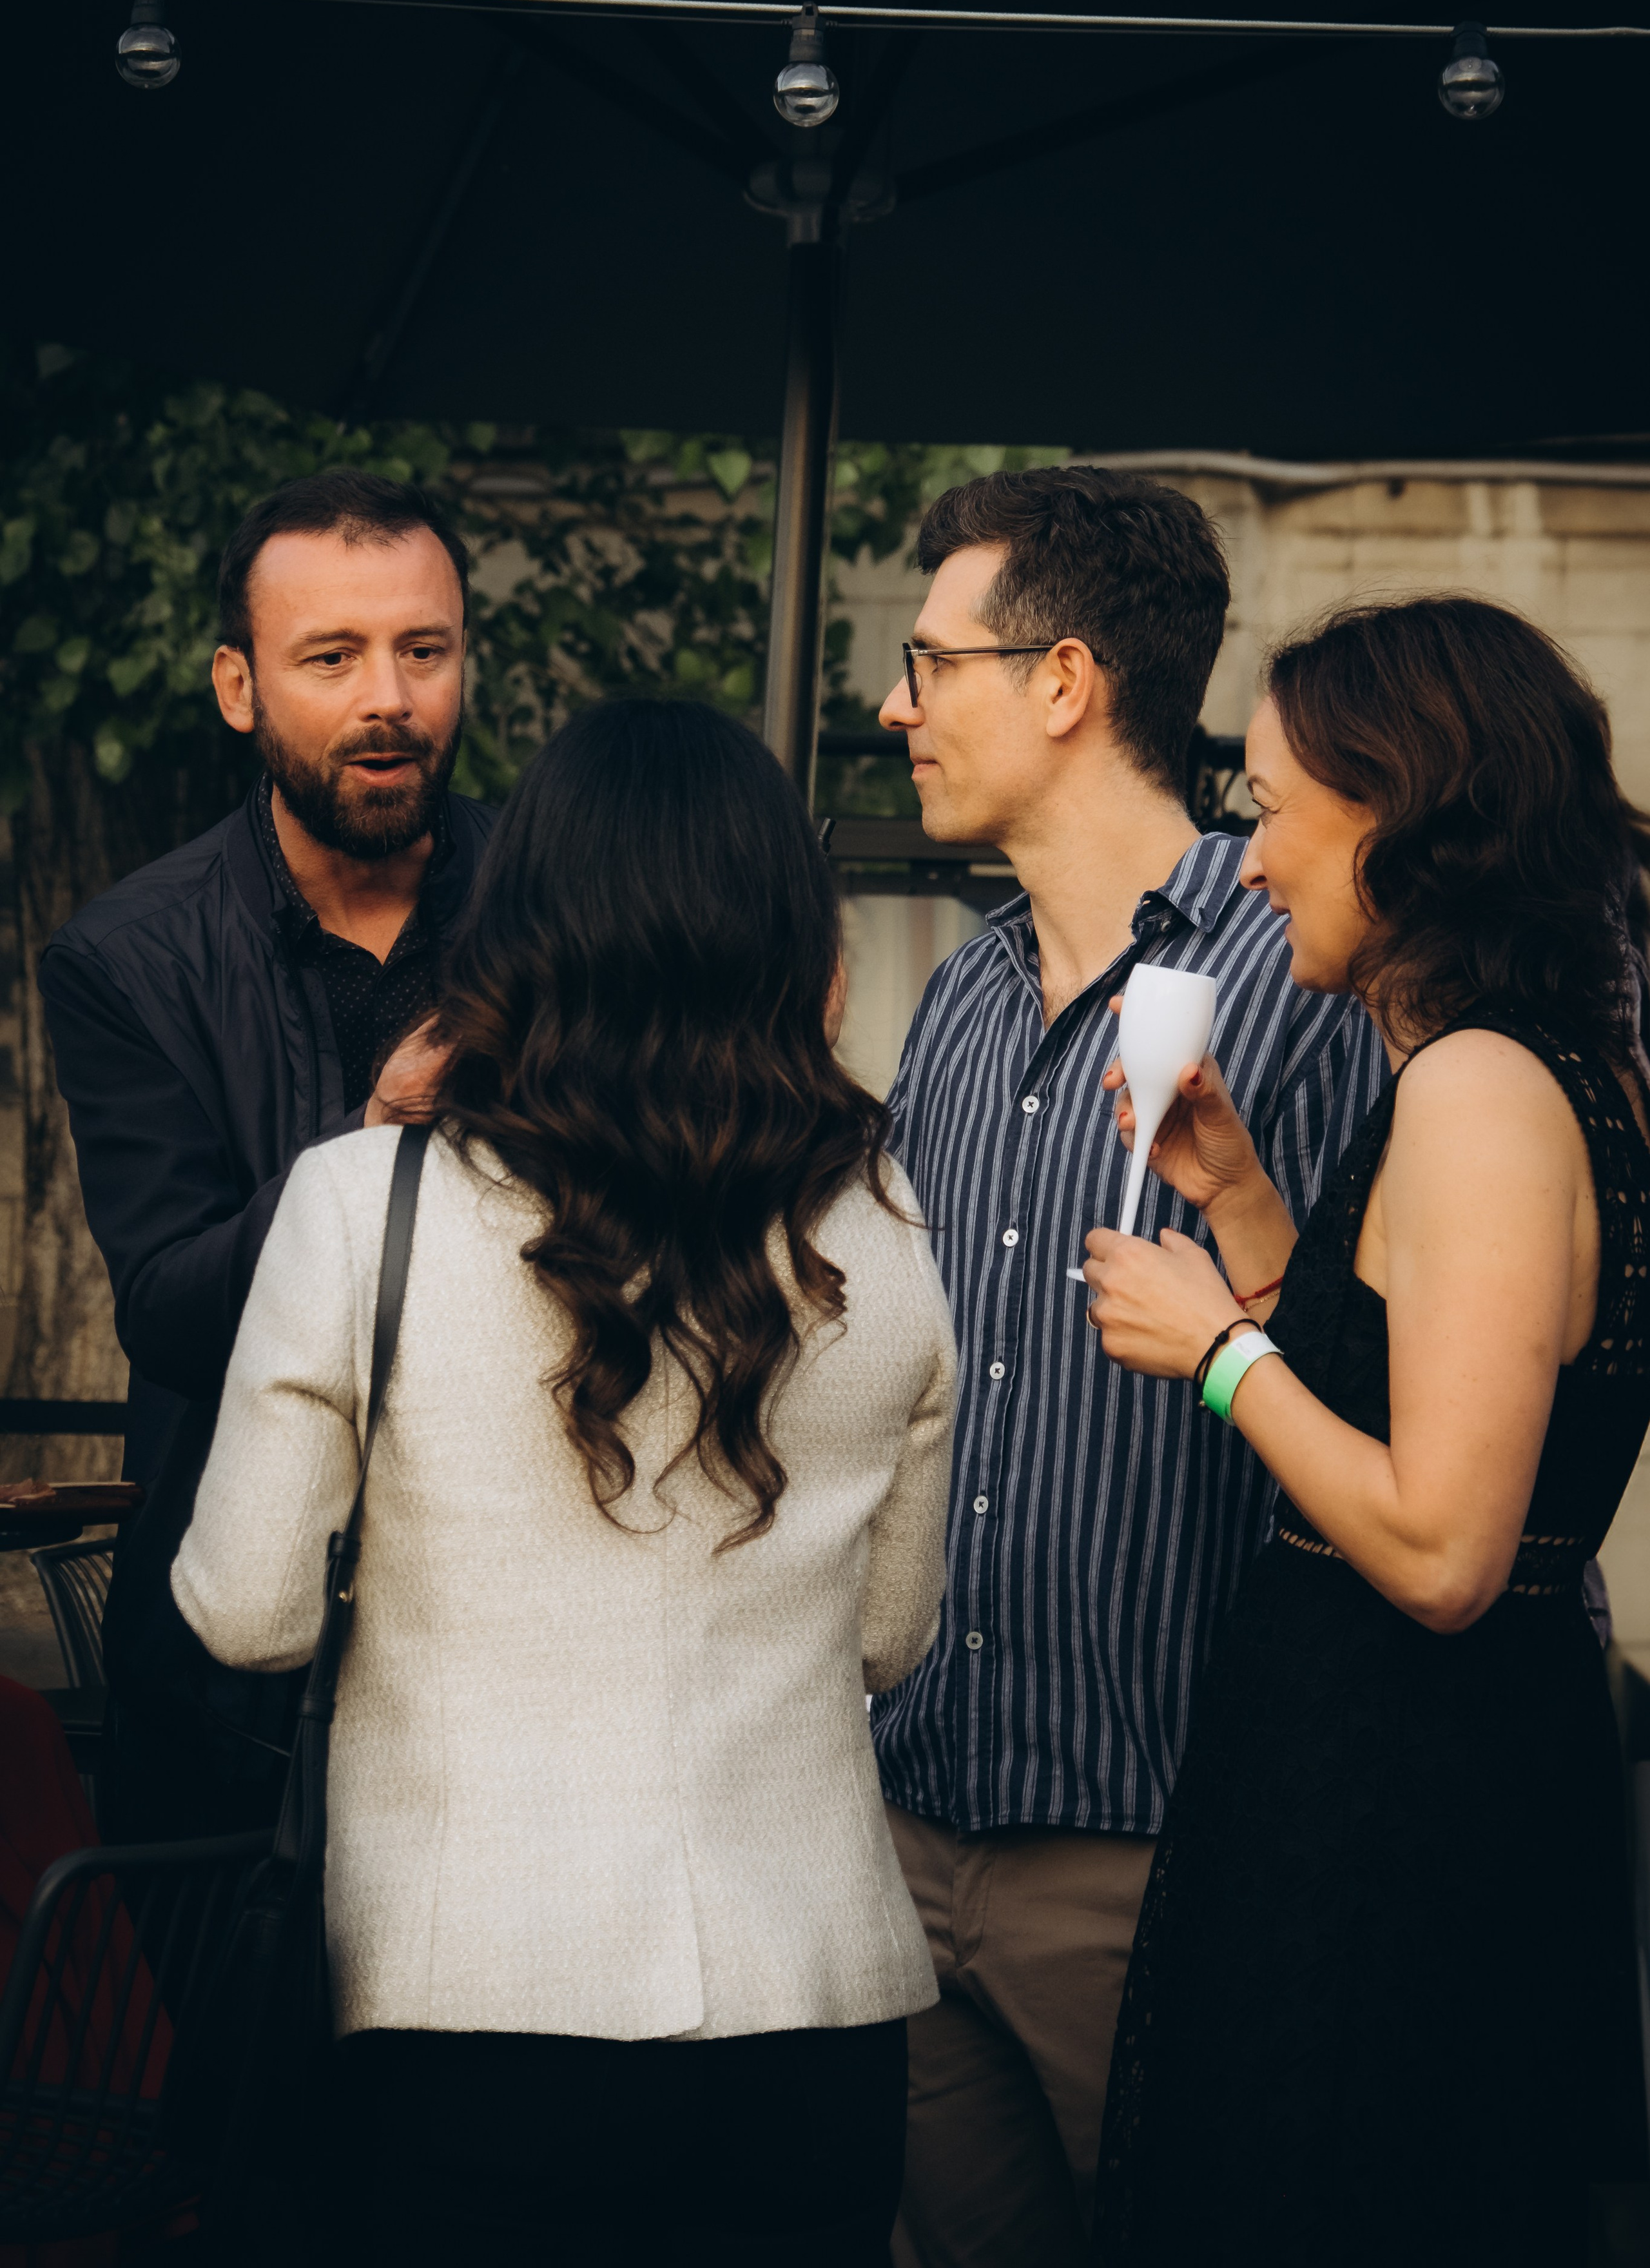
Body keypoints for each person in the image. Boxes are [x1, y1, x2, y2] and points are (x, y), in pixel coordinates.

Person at [170, 699, 956, 2268]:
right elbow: (886, 1643)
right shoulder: (882, 1224)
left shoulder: (359, 1205)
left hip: (473, 2007)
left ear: (518, 921)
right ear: (786, 936)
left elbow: (252, 1613)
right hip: (816, 2016)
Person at [1085, 596, 1650, 2267]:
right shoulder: (1548, 1068)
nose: (1250, 864)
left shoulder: (1479, 1092)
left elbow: (1444, 1544)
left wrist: (1213, 1357)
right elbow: (1425, 1377)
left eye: (1267, 807)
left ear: (1394, 810)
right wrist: (1249, 1206)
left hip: (1403, 1808)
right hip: (1421, 1774)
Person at [870, 465, 1387, 2267]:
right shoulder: (952, 999)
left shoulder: (1306, 980)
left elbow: (1399, 1392)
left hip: (1163, 1852)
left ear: (1066, 682)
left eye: (932, 664)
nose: (896, 704)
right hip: (911, 1824)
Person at [38, 469, 494, 1843]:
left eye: (424, 650)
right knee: (233, 2056)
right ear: (238, 686)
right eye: (332, 657)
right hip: (232, 1672)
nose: (390, 699)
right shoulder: (127, 955)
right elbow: (172, 1310)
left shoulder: (563, 911)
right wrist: (367, 1149)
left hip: (502, 1655)